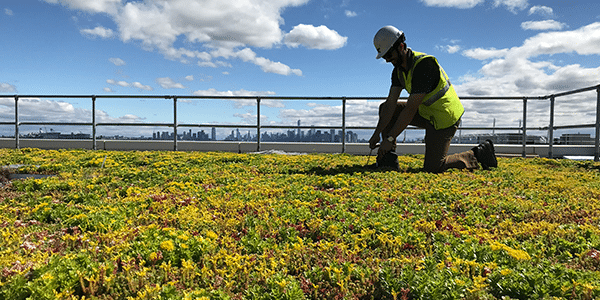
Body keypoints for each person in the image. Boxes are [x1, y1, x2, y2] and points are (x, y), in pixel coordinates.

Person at [368, 25, 497, 173]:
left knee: (434, 167)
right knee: (385, 107)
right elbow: (391, 104)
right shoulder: (398, 71)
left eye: (389, 55)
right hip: (427, 113)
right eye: (384, 57)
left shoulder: (424, 65)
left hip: (444, 118)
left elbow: (410, 109)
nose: (387, 60)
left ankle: (478, 154)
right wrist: (377, 134)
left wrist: (389, 139)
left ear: (401, 46)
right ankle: (388, 162)